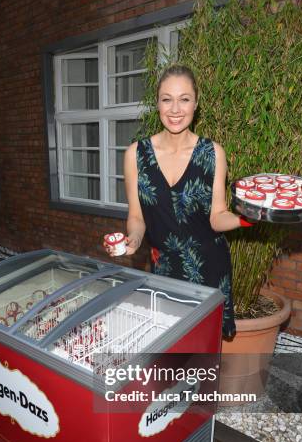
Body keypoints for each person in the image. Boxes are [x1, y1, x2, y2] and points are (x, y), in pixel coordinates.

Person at [105, 65, 253, 338]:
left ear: (196, 104)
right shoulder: (136, 155)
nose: (175, 109)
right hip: (163, 269)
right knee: (169, 350)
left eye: (184, 99)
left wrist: (249, 217)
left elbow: (217, 216)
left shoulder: (213, 153)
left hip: (208, 268)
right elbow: (137, 217)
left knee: (203, 354)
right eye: (166, 99)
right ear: (157, 103)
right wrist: (134, 241)